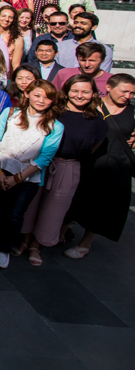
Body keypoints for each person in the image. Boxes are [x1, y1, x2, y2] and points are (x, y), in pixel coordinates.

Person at [21, 75, 107, 266]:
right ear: (66, 91)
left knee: (54, 210)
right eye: (75, 90)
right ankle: (24, 241)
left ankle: (36, 245)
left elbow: (94, 147)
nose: (79, 95)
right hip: (39, 163)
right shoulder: (53, 111)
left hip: (67, 167)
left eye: (85, 91)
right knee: (30, 203)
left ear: (93, 93)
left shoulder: (96, 120)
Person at [0, 80, 63, 269]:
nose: (41, 100)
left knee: (15, 214)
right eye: (37, 95)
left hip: (28, 177)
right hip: (1, 168)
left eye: (47, 97)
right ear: (27, 94)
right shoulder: (10, 114)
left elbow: (44, 158)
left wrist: (17, 178)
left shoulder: (55, 126)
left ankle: (5, 248)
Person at [66, 73, 135, 259]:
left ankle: (85, 244)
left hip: (117, 166)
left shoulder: (132, 111)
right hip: (88, 163)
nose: (127, 96)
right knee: (74, 201)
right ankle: (58, 232)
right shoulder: (91, 106)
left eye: (132, 93)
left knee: (105, 207)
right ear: (110, 87)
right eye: (124, 91)